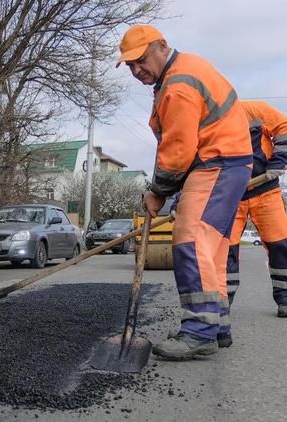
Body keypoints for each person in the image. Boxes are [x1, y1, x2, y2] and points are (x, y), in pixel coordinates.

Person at [117, 24, 252, 360]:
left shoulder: (178, 85)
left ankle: (199, 332)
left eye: (141, 60)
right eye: (131, 66)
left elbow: (177, 149)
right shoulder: (180, 72)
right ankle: (216, 326)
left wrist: (158, 192)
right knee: (212, 249)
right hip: (224, 163)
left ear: (161, 46)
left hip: (217, 162)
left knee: (190, 242)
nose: (137, 70)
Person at [226, 101, 287, 317]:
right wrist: (181, 200)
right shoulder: (206, 121)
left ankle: (285, 298)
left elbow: (284, 126)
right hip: (230, 196)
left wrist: (278, 161)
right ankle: (220, 306)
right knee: (225, 249)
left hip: (265, 190)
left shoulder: (254, 111)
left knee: (281, 244)